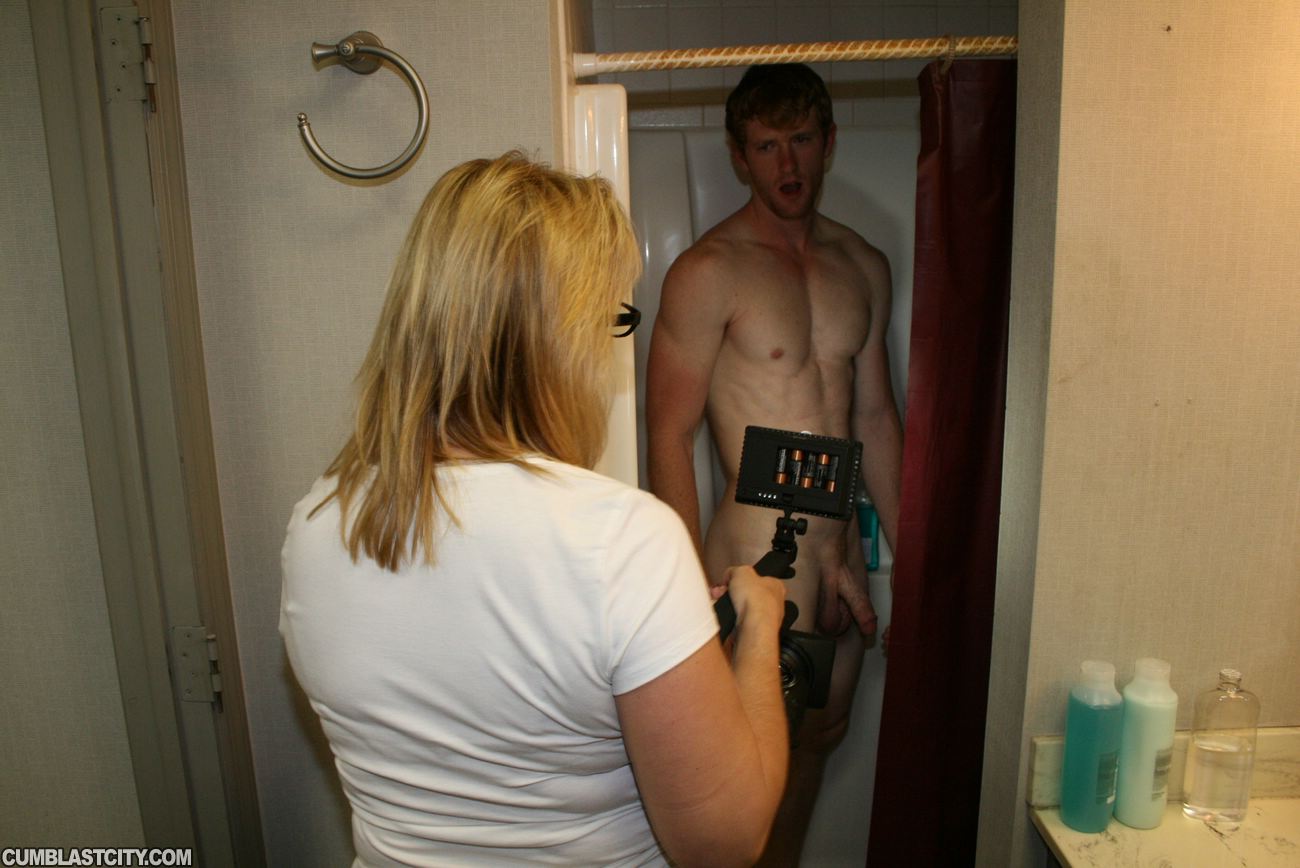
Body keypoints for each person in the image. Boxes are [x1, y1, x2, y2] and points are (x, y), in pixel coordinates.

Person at [280, 153, 790, 867]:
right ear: (561, 338)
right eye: (609, 319)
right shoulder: (622, 540)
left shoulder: (317, 523)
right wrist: (760, 628)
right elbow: (725, 844)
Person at [644, 64, 903, 865]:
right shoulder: (708, 272)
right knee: (746, 791)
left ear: (829, 142)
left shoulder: (863, 265)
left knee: (816, 751)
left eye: (801, 140)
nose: (787, 164)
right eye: (766, 146)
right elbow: (668, 434)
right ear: (739, 156)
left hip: (842, 566)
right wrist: (688, 593)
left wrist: (916, 561)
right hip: (755, 569)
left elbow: (875, 419)